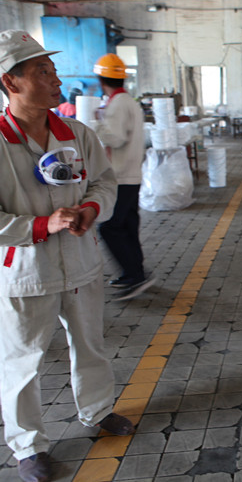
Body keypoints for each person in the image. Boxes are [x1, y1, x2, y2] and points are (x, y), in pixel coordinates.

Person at [0, 29, 134, 482]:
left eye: (53, 70)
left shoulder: (75, 133)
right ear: (10, 82)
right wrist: (42, 225)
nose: (56, 79)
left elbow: (105, 182)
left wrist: (90, 209)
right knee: (22, 363)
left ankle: (97, 411)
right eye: (43, 71)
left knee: (90, 344)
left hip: (80, 263)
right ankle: (28, 447)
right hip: (25, 272)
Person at [92, 53, 154, 300]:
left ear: (101, 80)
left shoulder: (118, 104)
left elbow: (115, 138)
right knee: (127, 225)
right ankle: (135, 272)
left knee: (109, 227)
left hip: (120, 176)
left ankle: (134, 275)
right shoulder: (128, 101)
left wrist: (96, 124)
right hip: (132, 174)